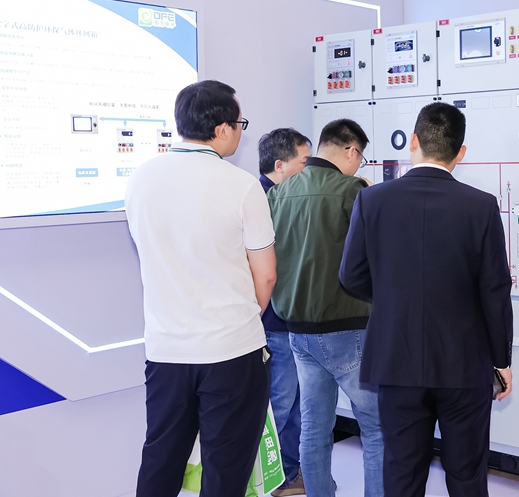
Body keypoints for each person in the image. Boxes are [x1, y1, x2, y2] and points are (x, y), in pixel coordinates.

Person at [339, 102, 514, 497]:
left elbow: (351, 275)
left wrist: (393, 296)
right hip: (465, 363)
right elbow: (495, 289)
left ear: (413, 142)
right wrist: (501, 360)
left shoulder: (372, 200)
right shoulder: (481, 205)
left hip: (396, 361)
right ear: (460, 152)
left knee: (402, 472)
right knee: (467, 474)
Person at [125, 80, 276, 497]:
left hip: (166, 350)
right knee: (226, 467)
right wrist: (243, 317)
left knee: (161, 458)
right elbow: (265, 275)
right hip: (231, 351)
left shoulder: (141, 178)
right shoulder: (242, 185)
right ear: (223, 129)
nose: (241, 131)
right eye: (240, 123)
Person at [267, 119, 383, 497]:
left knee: (314, 429)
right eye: (361, 158)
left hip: (297, 331)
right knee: (377, 429)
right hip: (348, 328)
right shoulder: (353, 191)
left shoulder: (278, 193)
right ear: (351, 151)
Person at [257, 128, 312, 496]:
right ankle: (271, 479)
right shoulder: (262, 201)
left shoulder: (278, 198)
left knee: (292, 404)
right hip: (274, 321)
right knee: (280, 403)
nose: (310, 170)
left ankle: (288, 474)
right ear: (280, 165)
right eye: (304, 162)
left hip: (285, 319)